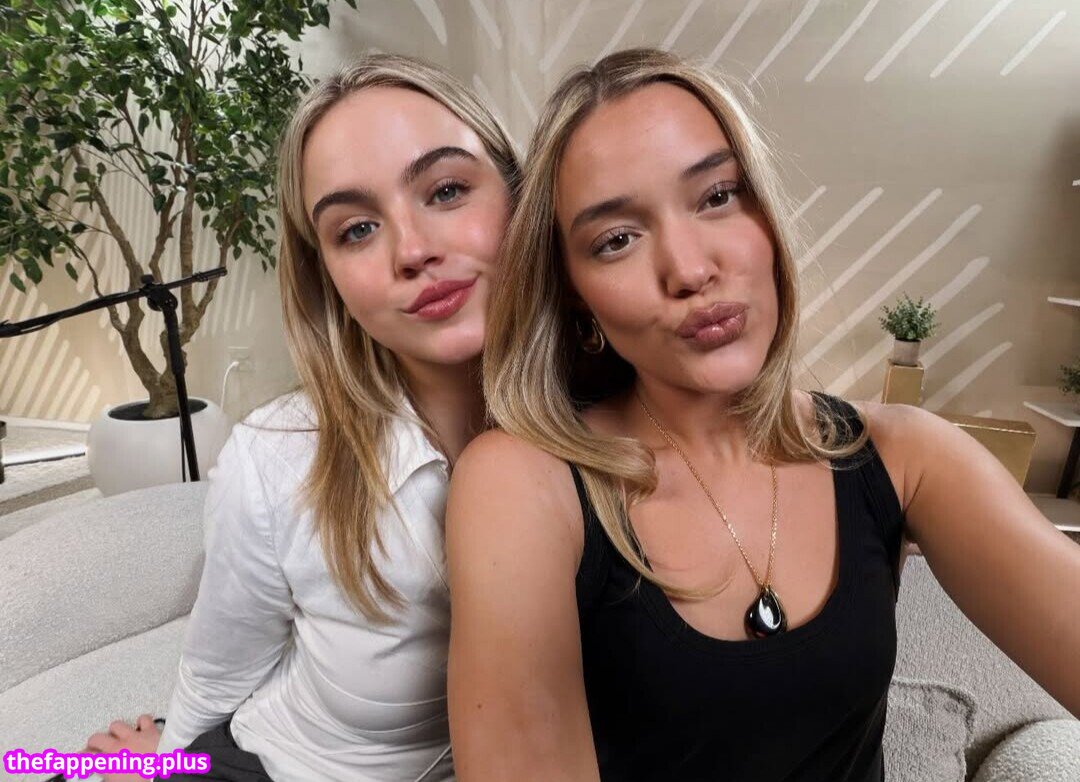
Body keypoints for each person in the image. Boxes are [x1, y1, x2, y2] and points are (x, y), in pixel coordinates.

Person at [445, 47, 1080, 781]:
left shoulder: (906, 457)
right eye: (616, 240)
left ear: (768, 218)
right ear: (575, 294)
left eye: (718, 196)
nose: (690, 269)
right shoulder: (524, 483)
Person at [83, 53, 520, 782]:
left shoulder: (619, 413)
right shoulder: (276, 457)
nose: (413, 251)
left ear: (520, 195)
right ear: (326, 275)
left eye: (446, 190)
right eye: (356, 230)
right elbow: (218, 672)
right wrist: (167, 766)